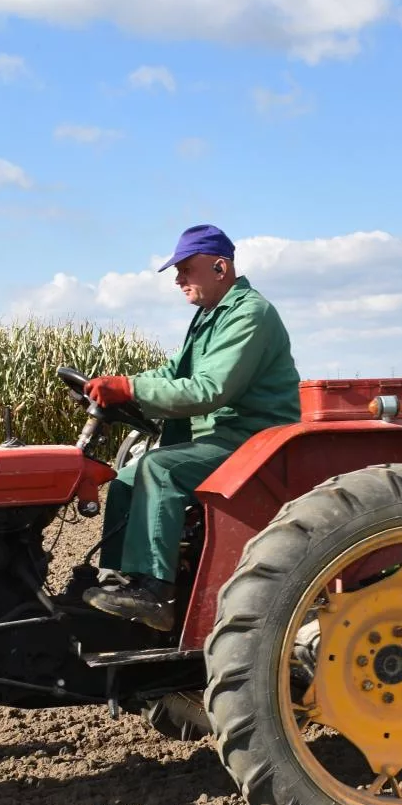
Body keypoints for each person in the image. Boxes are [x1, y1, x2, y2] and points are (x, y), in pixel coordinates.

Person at [82, 224, 301, 631]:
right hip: (218, 438)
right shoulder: (208, 317)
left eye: (185, 269)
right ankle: (117, 580)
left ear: (220, 267)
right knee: (126, 477)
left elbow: (208, 389)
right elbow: (174, 372)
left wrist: (130, 388)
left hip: (252, 440)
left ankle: (156, 593)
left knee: (159, 468)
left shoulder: (250, 314)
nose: (179, 280)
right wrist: (123, 388)